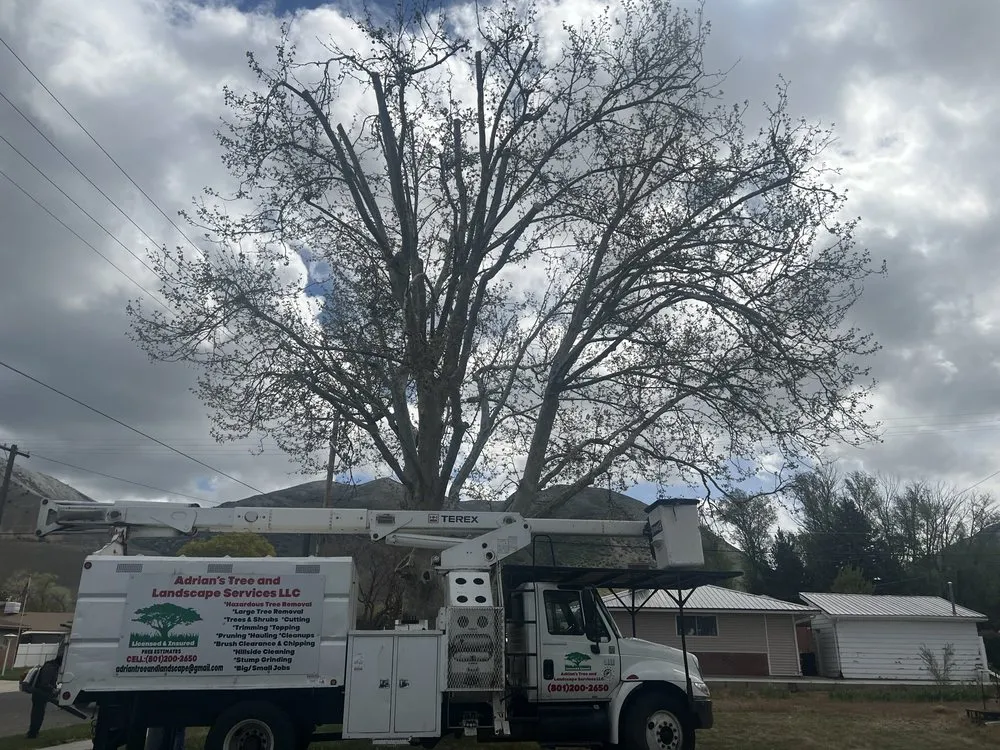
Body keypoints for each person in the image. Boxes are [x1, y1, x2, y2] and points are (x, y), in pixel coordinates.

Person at [25, 652, 62, 739]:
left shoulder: (50, 666)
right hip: (40, 693)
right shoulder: (51, 668)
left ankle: (33, 732)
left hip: (39, 693)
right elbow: (44, 683)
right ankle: (32, 733)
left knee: (38, 714)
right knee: (38, 714)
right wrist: (53, 689)